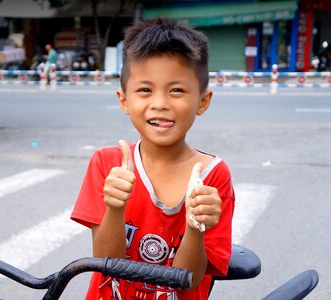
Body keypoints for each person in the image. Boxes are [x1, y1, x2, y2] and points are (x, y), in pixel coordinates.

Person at [71, 19, 234, 299]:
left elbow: (190, 279)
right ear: (124, 101)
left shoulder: (212, 177)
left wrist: (196, 227)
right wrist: (114, 208)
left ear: (202, 101)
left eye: (177, 90)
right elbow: (106, 262)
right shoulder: (107, 163)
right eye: (145, 90)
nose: (160, 103)